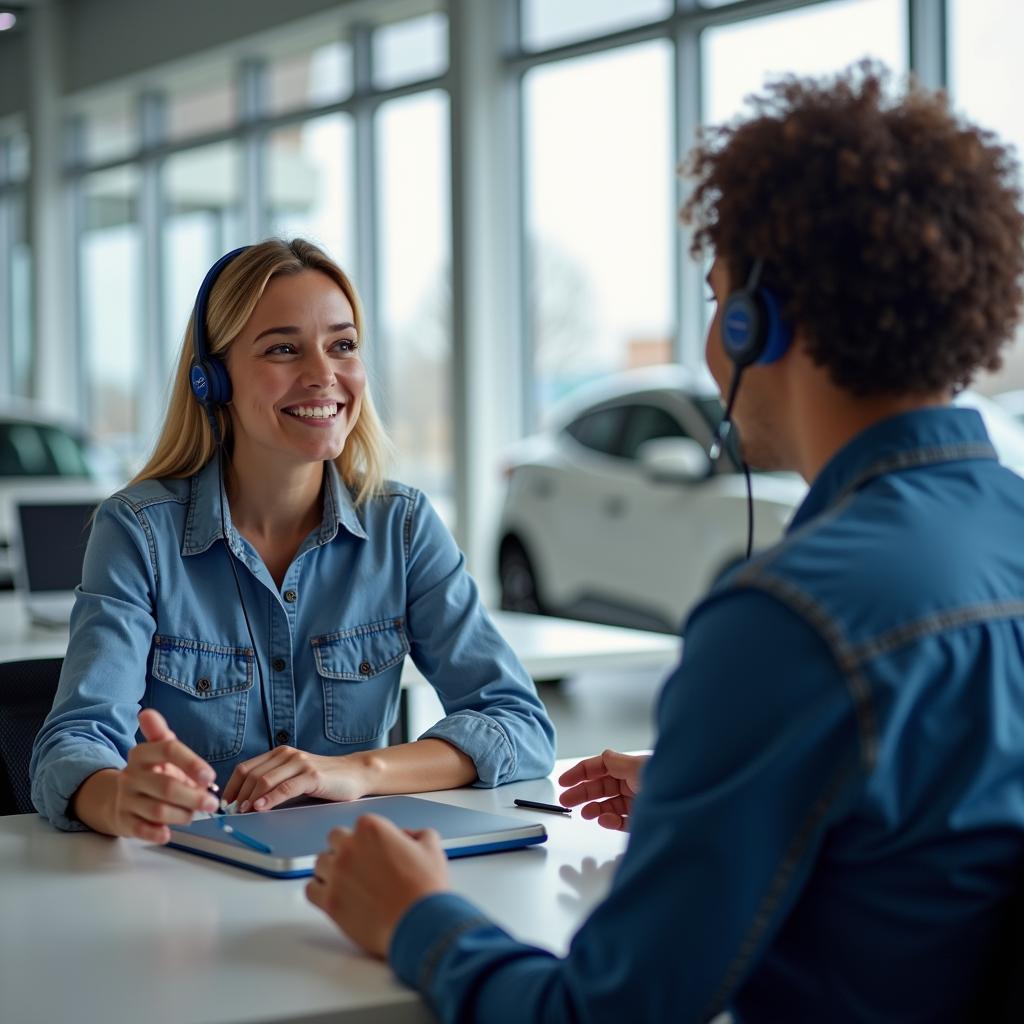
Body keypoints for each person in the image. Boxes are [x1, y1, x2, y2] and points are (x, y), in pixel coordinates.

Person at [304, 64, 1024, 1022]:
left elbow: (600, 1015)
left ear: (755, 321)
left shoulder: (788, 623)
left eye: (718, 295)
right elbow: (937, 859)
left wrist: (418, 918)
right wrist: (722, 806)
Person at [30, 238, 555, 841]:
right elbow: (72, 745)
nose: (323, 375)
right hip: (186, 886)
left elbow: (519, 724)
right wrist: (119, 796)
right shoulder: (139, 532)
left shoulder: (402, 527)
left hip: (354, 874)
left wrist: (359, 771)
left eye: (343, 345)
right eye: (283, 349)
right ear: (212, 380)